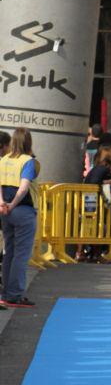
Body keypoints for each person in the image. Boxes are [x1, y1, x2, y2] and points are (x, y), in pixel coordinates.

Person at [0, 129, 40, 309]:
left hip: (4, 211)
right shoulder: (27, 161)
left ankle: (5, 293)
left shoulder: (3, 160)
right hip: (22, 210)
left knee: (9, 251)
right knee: (21, 254)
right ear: (28, 142)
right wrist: (13, 204)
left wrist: (2, 203)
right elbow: (24, 188)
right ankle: (15, 295)